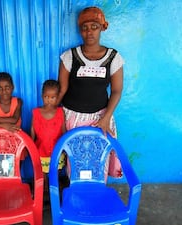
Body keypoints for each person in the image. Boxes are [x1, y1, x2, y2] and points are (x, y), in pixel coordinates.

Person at [57, 6, 123, 178]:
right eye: (84, 28)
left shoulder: (113, 57)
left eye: (94, 26)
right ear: (80, 31)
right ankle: (76, 195)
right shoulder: (70, 56)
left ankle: (98, 194)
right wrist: (52, 114)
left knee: (99, 159)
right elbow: (62, 89)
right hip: (73, 118)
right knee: (75, 160)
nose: (89, 32)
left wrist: (106, 117)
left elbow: (116, 90)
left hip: (101, 118)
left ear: (102, 27)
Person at [30, 79, 66, 203]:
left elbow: (64, 130)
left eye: (52, 97)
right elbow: (32, 130)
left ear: (57, 97)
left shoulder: (61, 112)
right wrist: (31, 146)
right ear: (42, 96)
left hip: (56, 149)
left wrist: (65, 148)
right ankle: (45, 186)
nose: (49, 100)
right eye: (46, 96)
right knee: (43, 170)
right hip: (41, 149)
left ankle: (54, 185)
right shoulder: (36, 112)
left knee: (55, 169)